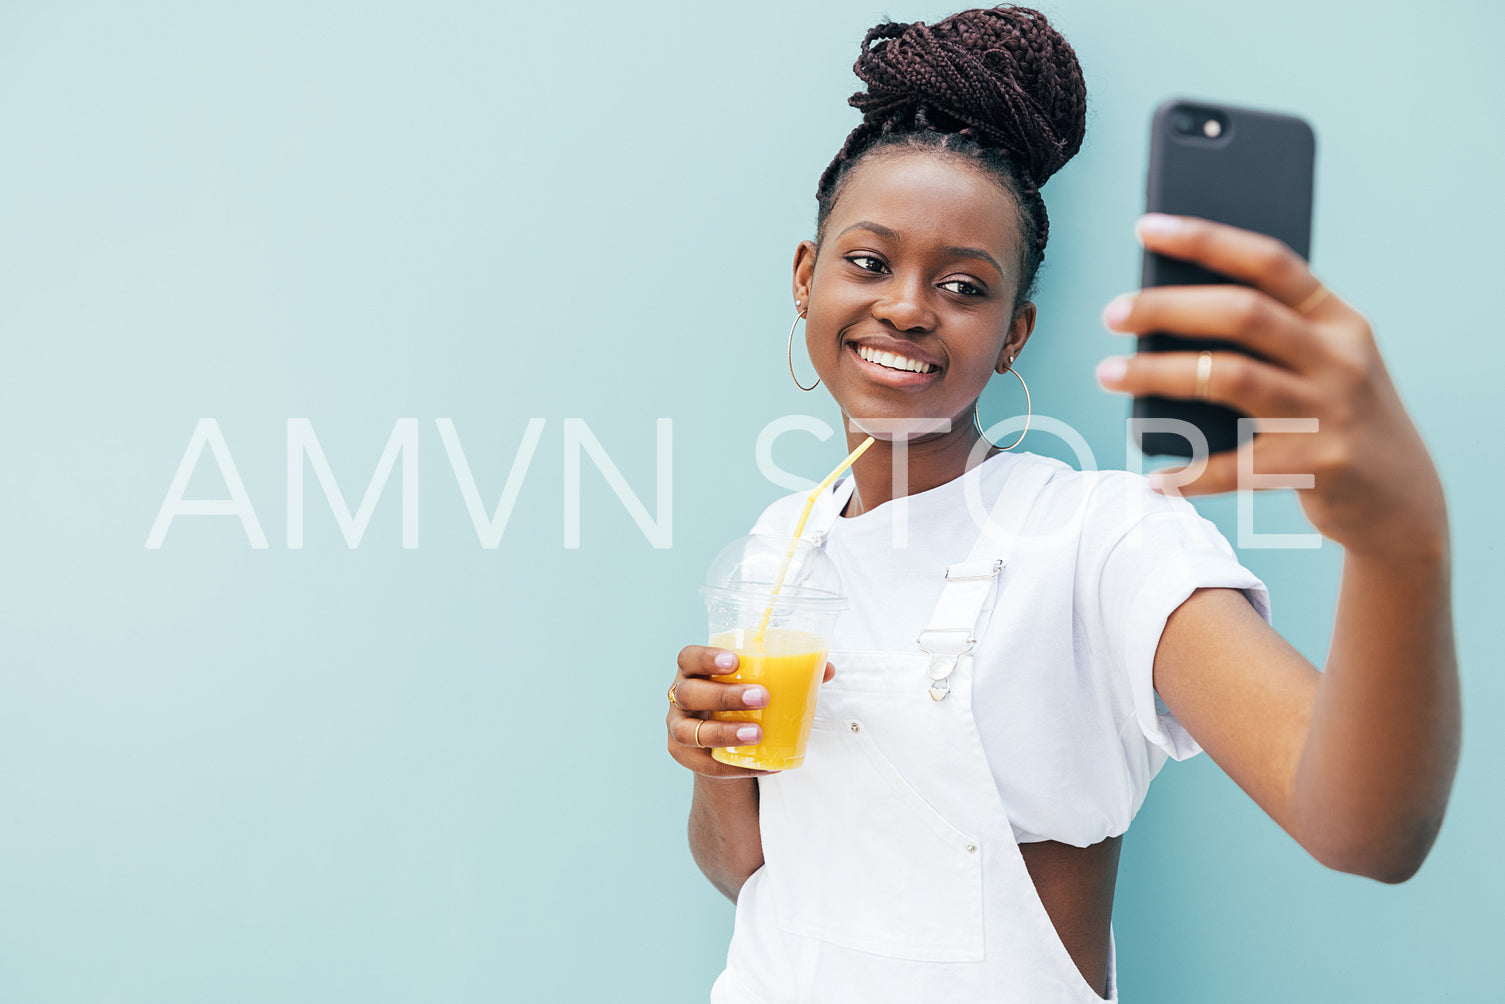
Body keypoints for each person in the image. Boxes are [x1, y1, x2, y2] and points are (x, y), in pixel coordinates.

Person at [664, 6, 1459, 1002]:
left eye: (962, 285)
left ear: (1012, 333)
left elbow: (1364, 828)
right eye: (867, 261)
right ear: (804, 278)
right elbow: (745, 870)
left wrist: (1404, 545)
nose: (905, 305)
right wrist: (709, 759)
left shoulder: (1092, 535)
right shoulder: (779, 545)